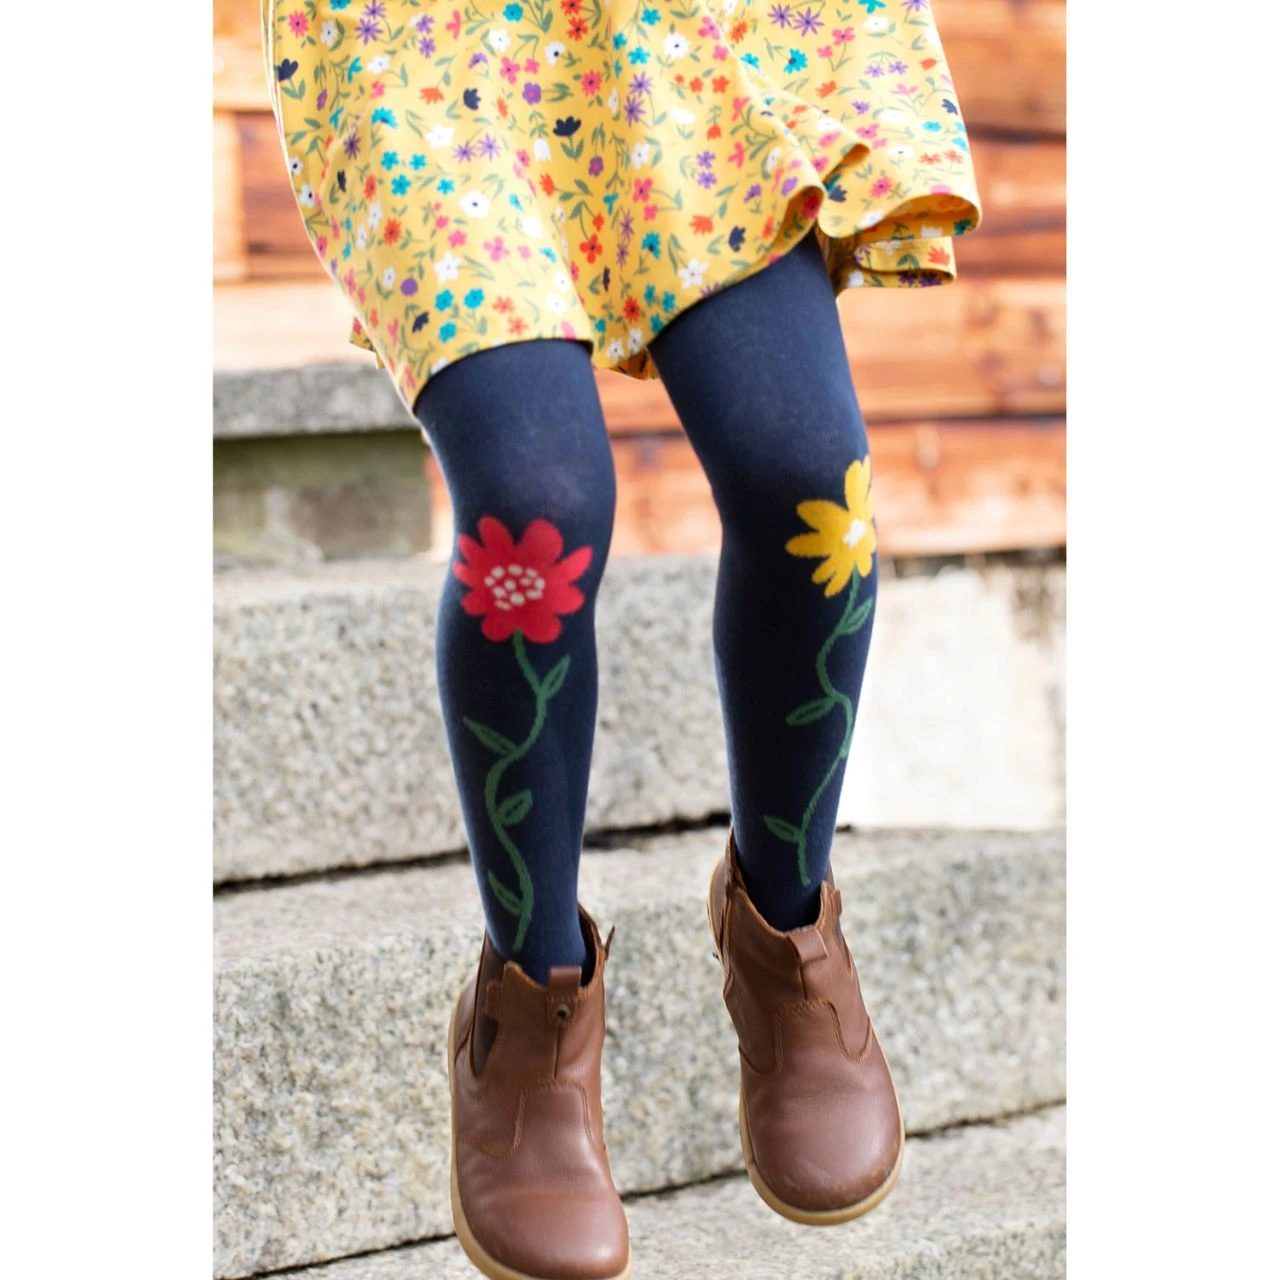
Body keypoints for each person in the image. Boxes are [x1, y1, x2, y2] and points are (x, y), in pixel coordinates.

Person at [262, 3, 981, 1277]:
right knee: (533, 512)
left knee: (809, 483)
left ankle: (782, 927)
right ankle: (528, 1006)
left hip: (673, 28)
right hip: (424, 39)